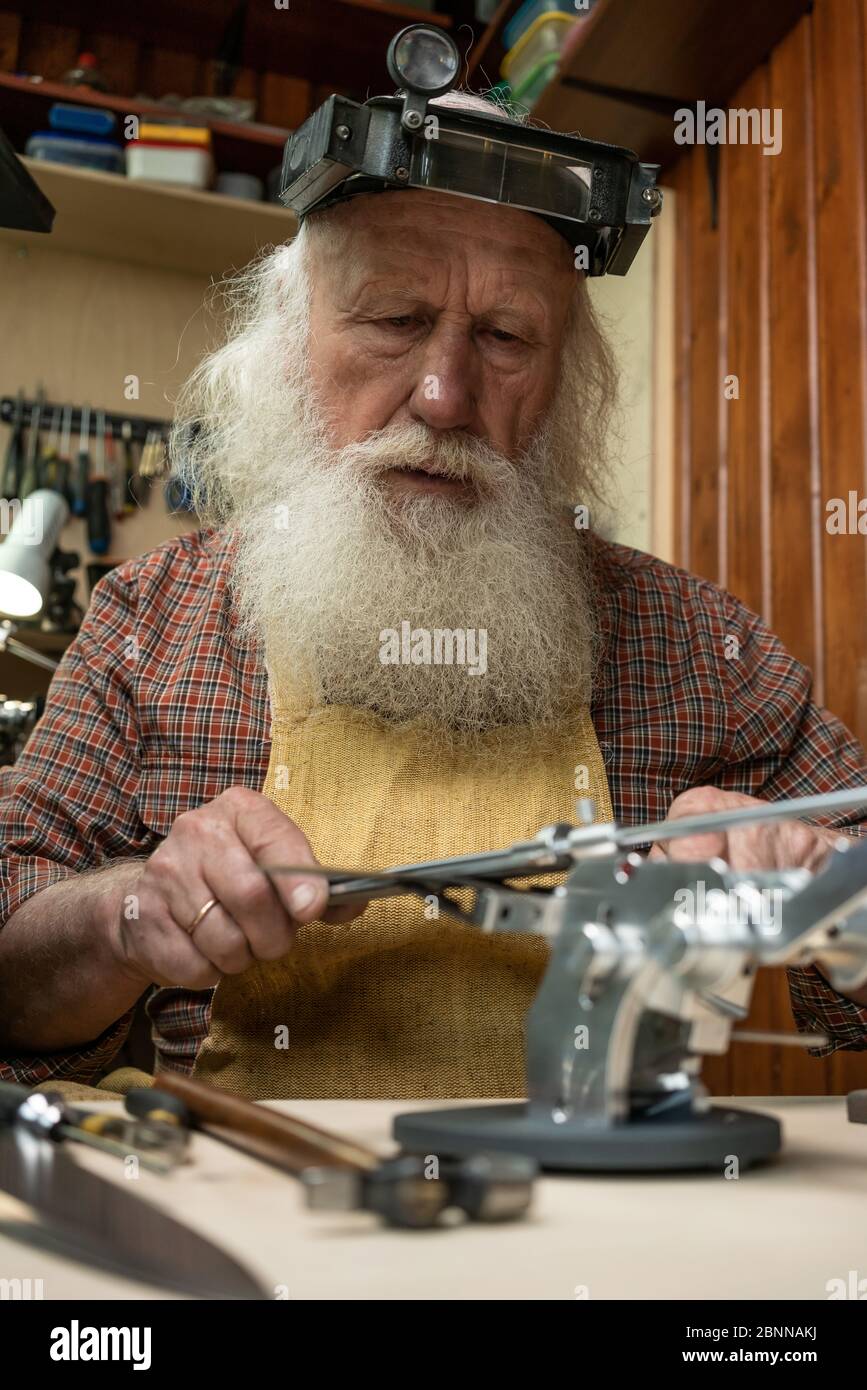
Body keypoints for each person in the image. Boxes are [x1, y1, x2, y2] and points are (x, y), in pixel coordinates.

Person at [0, 96, 864, 1098]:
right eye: (396, 321)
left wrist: (824, 883)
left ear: (566, 379)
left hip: (609, 1235)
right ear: (290, 343)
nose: (445, 396)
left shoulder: (692, 639)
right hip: (263, 1230)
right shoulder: (149, 622)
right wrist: (131, 915)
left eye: (505, 336)